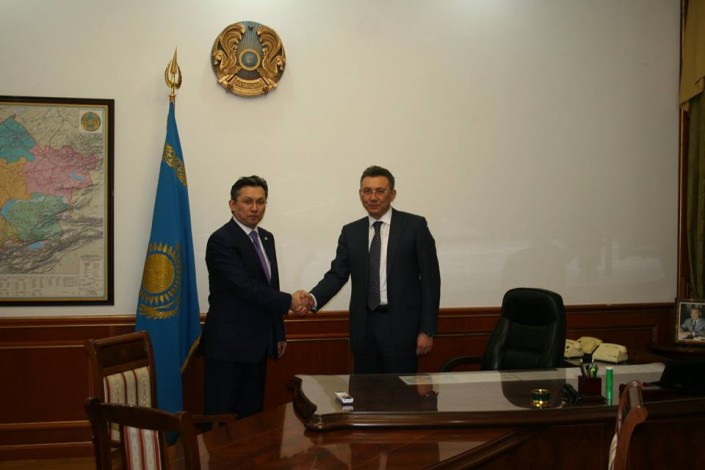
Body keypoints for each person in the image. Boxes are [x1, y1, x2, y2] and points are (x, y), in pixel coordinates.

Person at [301, 165, 441, 374]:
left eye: (380, 191)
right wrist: (312, 298)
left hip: (402, 329)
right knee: (365, 391)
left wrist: (427, 330)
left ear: (392, 194)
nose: (373, 197)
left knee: (401, 391)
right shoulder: (351, 232)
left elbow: (431, 281)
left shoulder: (414, 226)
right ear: (360, 194)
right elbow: (337, 275)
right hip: (364, 328)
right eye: (367, 191)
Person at [201, 175, 308, 417]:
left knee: (251, 416)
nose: (255, 208)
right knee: (223, 417)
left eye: (260, 202)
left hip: (258, 344)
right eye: (248, 201)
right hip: (228, 346)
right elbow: (245, 287)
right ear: (232, 204)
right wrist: (290, 301)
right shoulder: (221, 240)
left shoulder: (266, 238)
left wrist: (278, 332)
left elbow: (270, 285)